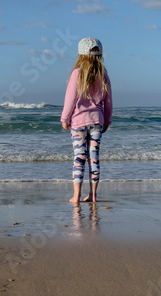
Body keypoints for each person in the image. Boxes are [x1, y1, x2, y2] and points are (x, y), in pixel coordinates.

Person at [61, 37, 113, 203]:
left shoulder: (77, 73)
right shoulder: (103, 74)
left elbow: (70, 98)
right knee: (94, 158)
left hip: (78, 122)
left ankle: (76, 196)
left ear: (80, 55)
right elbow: (108, 101)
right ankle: (93, 195)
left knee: (79, 157)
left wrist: (65, 118)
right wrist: (107, 121)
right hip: (97, 121)